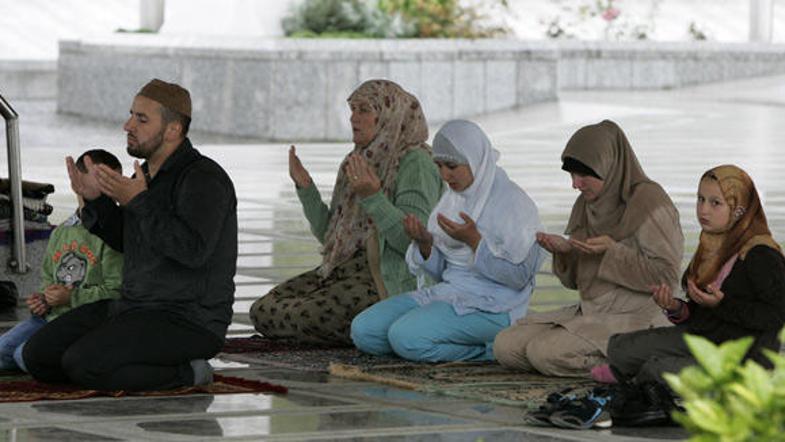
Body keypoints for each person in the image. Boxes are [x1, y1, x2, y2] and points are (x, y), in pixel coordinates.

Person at [22, 79, 238, 391]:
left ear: (173, 130)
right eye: (131, 115)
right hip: (133, 306)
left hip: (188, 319)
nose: (128, 126)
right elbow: (127, 241)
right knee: (38, 356)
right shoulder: (145, 176)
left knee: (82, 364)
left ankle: (189, 373)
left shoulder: (204, 179)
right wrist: (95, 201)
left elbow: (192, 251)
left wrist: (138, 201)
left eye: (142, 119)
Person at [249, 79, 442, 346]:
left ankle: (375, 326)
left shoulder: (416, 163)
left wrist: (373, 197)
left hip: (384, 279)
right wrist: (306, 188)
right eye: (352, 109)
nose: (353, 118)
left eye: (364, 110)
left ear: (389, 115)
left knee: (308, 316)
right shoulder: (358, 159)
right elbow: (330, 236)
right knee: (263, 309)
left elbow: (414, 244)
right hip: (342, 270)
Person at [493, 119, 684, 377]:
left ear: (608, 166)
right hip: (592, 312)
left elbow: (667, 277)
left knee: (544, 353)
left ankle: (632, 360)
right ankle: (609, 355)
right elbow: (574, 283)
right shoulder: (586, 204)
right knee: (506, 346)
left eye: (583, 175)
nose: (575, 184)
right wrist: (565, 252)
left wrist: (613, 252)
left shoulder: (649, 201)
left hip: (636, 316)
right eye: (572, 175)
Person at [605, 164, 785, 426]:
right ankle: (646, 384)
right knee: (619, 349)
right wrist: (676, 308)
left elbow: (778, 315)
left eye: (715, 203)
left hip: (742, 358)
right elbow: (701, 314)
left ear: (739, 209)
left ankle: (725, 391)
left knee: (655, 369)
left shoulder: (760, 254)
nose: (703, 210)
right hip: (707, 338)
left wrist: (723, 304)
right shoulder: (713, 246)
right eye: (700, 199)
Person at [350, 119, 545, 362]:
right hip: (450, 293)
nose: (444, 175)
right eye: (439, 166)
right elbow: (445, 272)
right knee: (365, 331)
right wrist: (425, 243)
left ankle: (490, 350)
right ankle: (430, 342)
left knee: (405, 337)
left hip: (495, 305)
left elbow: (520, 277)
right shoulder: (453, 200)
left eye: (452, 166)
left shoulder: (513, 204)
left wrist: (475, 242)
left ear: (475, 160)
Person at [0, 150, 123, 372]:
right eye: (101, 181)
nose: (107, 191)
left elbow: (116, 292)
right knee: (2, 352)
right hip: (50, 318)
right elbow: (49, 278)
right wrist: (43, 300)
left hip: (86, 321)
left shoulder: (116, 234)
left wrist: (71, 297)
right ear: (77, 182)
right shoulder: (62, 231)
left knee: (22, 357)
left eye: (113, 183)